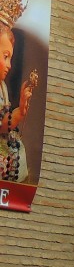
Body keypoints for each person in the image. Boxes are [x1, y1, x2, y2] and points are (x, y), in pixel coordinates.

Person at [0, 26, 36, 182]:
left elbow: (4, 123)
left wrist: (21, 110)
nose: (9, 65)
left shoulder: (2, 88)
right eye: (5, 56)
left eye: (10, 59)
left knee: (17, 150)